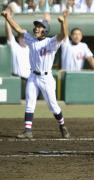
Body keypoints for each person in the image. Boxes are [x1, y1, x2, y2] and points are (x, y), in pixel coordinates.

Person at [1, 10, 71, 139]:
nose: (36, 28)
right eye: (36, 26)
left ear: (46, 30)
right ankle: (28, 130)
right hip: (33, 76)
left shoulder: (51, 41)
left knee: (53, 106)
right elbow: (17, 29)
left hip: (46, 78)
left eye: (39, 26)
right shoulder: (31, 39)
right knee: (30, 102)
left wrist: (63, 21)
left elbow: (64, 34)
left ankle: (62, 125)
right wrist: (7, 17)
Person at [5, 12, 30, 79]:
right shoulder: (15, 47)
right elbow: (9, 33)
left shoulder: (31, 48)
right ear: (19, 38)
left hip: (30, 81)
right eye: (22, 37)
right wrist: (7, 18)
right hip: (18, 80)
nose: (25, 39)